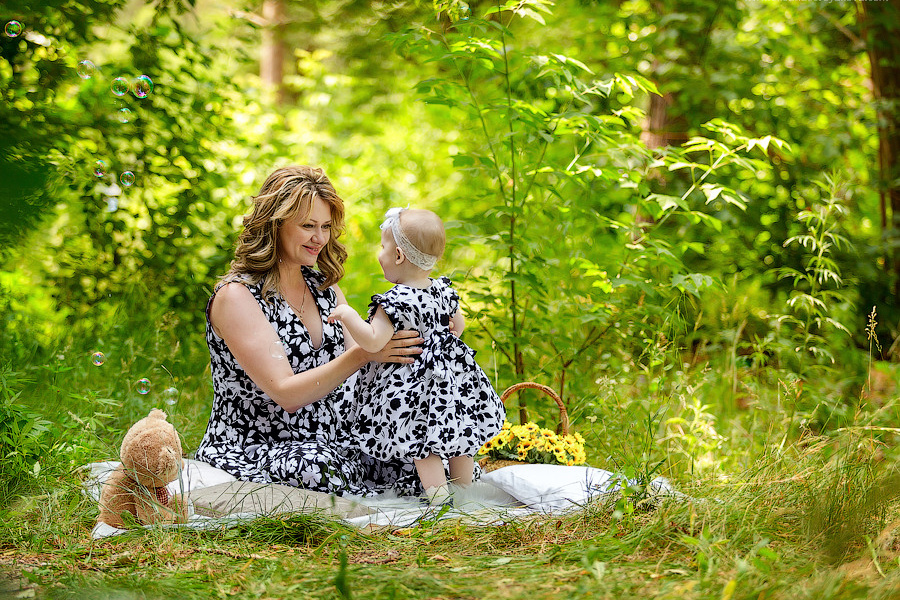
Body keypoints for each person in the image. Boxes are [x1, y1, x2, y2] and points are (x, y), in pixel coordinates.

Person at [194, 166, 425, 496]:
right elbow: (287, 394)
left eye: (326, 226)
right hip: (258, 445)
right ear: (276, 225)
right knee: (316, 470)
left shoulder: (324, 288)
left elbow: (358, 376)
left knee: (415, 458)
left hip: (331, 438)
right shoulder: (237, 296)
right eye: (308, 226)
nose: (320, 237)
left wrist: (407, 342)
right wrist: (365, 354)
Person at [327, 207, 505, 504]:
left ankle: (438, 502)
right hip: (452, 380)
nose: (380, 253)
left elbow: (373, 342)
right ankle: (467, 496)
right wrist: (440, 347)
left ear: (398, 256)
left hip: (413, 389)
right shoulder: (443, 291)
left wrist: (347, 315)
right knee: (458, 437)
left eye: (383, 246)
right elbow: (457, 327)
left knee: (424, 444)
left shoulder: (395, 302)